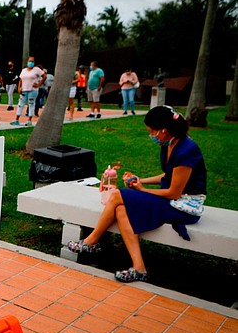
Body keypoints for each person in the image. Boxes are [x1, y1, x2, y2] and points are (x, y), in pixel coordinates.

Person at [67, 106, 207, 283]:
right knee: (120, 210)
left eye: (152, 132)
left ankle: (91, 241)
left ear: (164, 129)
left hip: (184, 206)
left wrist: (143, 190)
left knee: (117, 195)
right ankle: (139, 268)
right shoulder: (170, 142)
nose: (151, 136)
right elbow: (170, 175)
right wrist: (142, 180)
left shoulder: (187, 149)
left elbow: (174, 192)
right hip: (173, 199)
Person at [10, 56, 45, 126]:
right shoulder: (24, 70)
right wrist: (19, 88)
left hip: (32, 90)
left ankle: (29, 120)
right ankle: (17, 119)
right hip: (24, 89)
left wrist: (39, 84)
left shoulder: (36, 70)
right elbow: (20, 80)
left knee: (31, 104)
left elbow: (44, 76)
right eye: (29, 61)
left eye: (32, 61)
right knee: (20, 104)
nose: (30, 63)